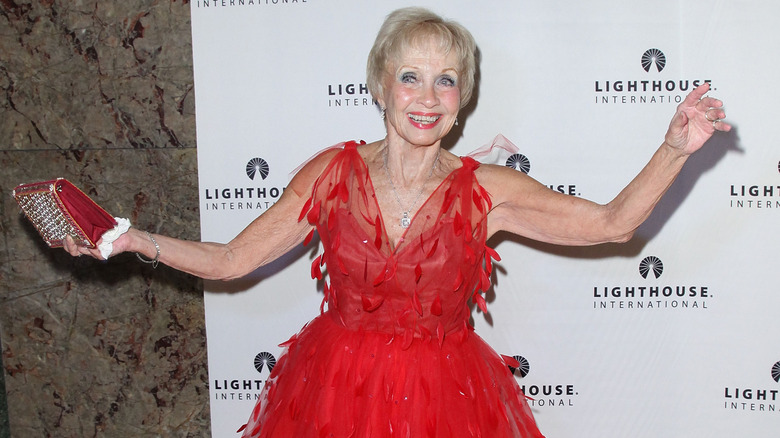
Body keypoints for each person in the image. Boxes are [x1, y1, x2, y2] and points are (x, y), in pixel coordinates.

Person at [64, 7, 730, 438]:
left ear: (463, 98)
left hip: (450, 398)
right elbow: (236, 260)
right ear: (379, 86)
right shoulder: (329, 173)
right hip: (332, 391)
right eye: (410, 76)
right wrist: (133, 240)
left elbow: (613, 223)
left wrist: (674, 146)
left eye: (446, 80)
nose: (427, 97)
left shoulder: (488, 191)